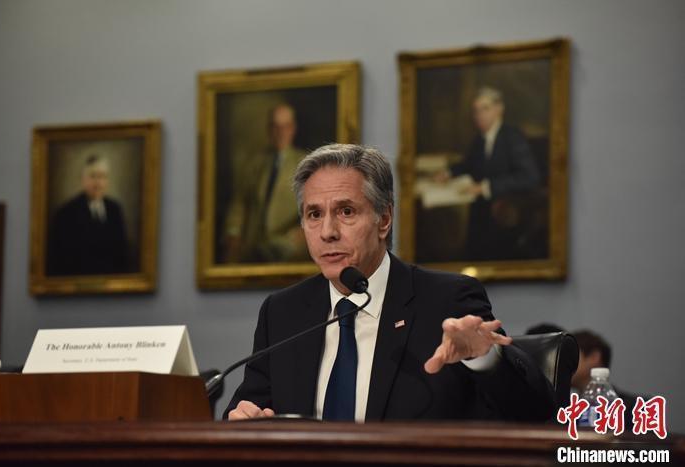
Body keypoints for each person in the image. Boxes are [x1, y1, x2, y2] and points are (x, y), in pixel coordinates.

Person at [225, 144, 556, 422]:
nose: (327, 232)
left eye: (346, 212)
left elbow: (535, 413)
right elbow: (246, 409)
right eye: (314, 215)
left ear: (383, 220)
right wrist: (243, 420)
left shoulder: (446, 300)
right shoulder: (283, 312)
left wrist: (484, 357)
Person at [443, 87, 541, 261]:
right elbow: (469, 164)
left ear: (499, 109)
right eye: (476, 111)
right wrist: (449, 172)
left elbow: (529, 177)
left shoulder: (512, 137)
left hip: (507, 214)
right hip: (481, 213)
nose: (479, 115)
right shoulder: (480, 139)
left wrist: (486, 187)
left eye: (485, 108)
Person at [223, 103, 309, 263]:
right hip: (253, 251)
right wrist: (233, 234)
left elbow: (315, 208)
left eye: (285, 127)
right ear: (269, 129)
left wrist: (300, 235)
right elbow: (239, 203)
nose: (280, 133)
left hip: (289, 252)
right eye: (276, 127)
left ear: (293, 129)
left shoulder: (305, 163)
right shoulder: (255, 163)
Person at [47, 155, 130, 276]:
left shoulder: (115, 210)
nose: (98, 182)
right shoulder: (66, 214)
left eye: (102, 176)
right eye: (93, 176)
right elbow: (61, 262)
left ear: (107, 181)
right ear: (83, 180)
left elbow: (122, 255)